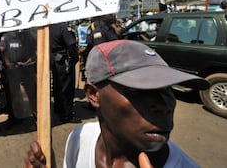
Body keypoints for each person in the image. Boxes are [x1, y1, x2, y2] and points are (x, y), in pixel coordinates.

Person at [24, 39, 209, 168]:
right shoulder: (80, 139)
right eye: (139, 90)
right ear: (94, 94)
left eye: (167, 89)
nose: (164, 106)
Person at [0, 28, 37, 126]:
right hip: (12, 70)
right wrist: (8, 64)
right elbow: (2, 51)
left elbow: (35, 51)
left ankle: (37, 117)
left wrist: (27, 62)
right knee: (14, 95)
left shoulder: (29, 36)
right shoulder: (7, 36)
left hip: (27, 69)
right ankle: (15, 117)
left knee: (32, 94)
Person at [49, 22, 80, 123]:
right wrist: (75, 58)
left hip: (54, 60)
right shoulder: (63, 27)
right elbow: (71, 45)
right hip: (64, 60)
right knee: (67, 88)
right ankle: (67, 114)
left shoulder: (49, 27)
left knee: (57, 85)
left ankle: (58, 108)